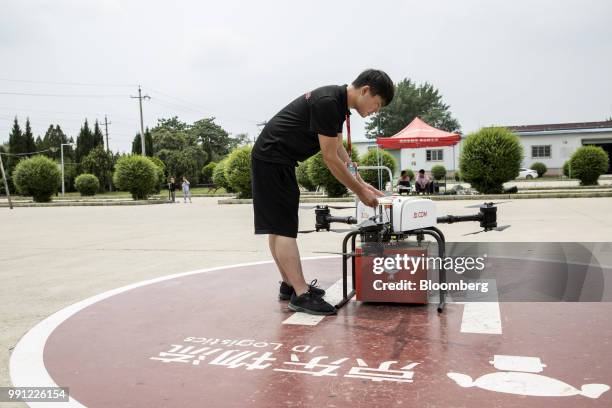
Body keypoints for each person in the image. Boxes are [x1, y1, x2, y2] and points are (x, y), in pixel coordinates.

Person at [251, 69, 394, 315]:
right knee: (284, 228)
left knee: (278, 226)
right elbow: (329, 158)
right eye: (377, 104)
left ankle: (289, 285)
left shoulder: (336, 102)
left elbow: (338, 148)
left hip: (274, 159)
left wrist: (362, 182)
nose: (375, 111)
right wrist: (359, 192)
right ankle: (301, 294)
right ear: (366, 91)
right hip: (272, 159)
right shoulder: (329, 102)